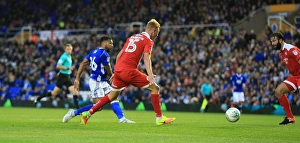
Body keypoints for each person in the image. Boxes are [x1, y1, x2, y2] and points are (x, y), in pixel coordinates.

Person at [81, 19, 176, 125]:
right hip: (129, 71)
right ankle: (159, 118)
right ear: (153, 30)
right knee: (155, 88)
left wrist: (115, 73)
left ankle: (88, 114)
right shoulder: (148, 41)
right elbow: (146, 57)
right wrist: (150, 75)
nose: (156, 36)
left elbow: (119, 55)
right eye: (157, 33)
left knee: (111, 96)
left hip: (119, 70)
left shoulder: (132, 37)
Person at [62, 36, 135, 123]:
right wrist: (113, 76)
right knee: (99, 106)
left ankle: (121, 118)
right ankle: (73, 113)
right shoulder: (104, 54)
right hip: (96, 81)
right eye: (110, 43)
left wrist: (77, 78)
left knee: (114, 97)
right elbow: (108, 70)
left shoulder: (94, 52)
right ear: (104, 44)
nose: (112, 45)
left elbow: (83, 63)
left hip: (103, 81)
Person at [34, 44, 79, 109]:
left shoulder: (69, 56)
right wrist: (68, 68)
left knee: (75, 92)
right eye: (68, 49)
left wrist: (69, 71)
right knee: (54, 93)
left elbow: (65, 67)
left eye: (70, 49)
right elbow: (58, 66)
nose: (69, 51)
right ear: (65, 49)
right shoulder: (63, 56)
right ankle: (38, 98)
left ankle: (78, 110)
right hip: (62, 77)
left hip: (67, 76)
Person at [270, 32, 297, 125]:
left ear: (281, 40)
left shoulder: (290, 49)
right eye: (271, 41)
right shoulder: (281, 54)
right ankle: (290, 118)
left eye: (274, 41)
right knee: (278, 91)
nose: (272, 43)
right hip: (295, 77)